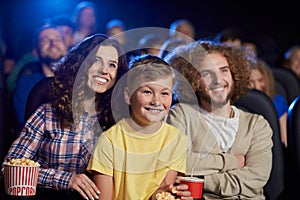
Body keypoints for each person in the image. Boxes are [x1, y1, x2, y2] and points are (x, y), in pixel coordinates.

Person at [2, 33, 129, 200]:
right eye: (96, 60)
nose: (104, 70)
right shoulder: (48, 113)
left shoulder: (117, 119)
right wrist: (66, 180)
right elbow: (9, 168)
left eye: (112, 65)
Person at [165, 40, 273, 199]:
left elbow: (256, 178)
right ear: (192, 80)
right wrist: (232, 162)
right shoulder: (181, 115)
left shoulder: (257, 124)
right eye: (207, 73)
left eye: (224, 70)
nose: (218, 80)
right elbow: (179, 163)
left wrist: (202, 181)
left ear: (234, 75)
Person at [87, 54, 191, 200]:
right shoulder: (109, 141)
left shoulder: (177, 139)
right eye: (147, 92)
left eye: (164, 93)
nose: (156, 101)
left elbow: (161, 192)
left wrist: (170, 195)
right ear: (128, 96)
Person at [13, 24, 67, 130]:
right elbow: (25, 122)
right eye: (45, 40)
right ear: (36, 52)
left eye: (58, 39)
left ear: (67, 47)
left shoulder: (79, 80)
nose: (53, 43)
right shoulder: (27, 83)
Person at [250, 59, 288, 147]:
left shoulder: (278, 102)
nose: (257, 86)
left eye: (260, 80)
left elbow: (284, 140)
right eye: (251, 82)